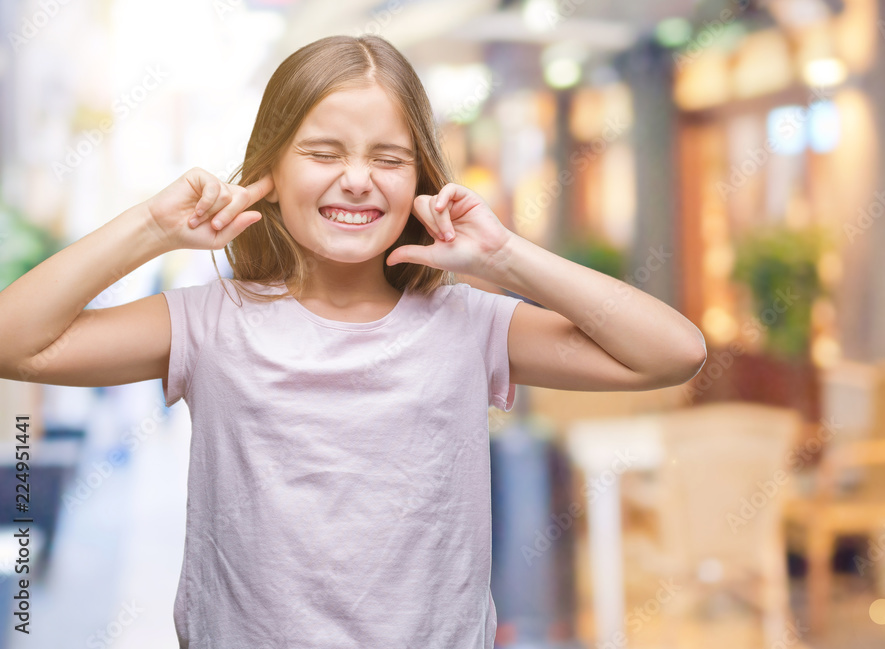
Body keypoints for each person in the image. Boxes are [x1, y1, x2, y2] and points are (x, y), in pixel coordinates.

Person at [0, 34, 707, 649]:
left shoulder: (470, 324)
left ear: (421, 180)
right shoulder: (208, 322)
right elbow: (14, 341)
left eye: (389, 158)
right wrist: (153, 227)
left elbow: (674, 351)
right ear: (269, 173)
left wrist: (506, 258)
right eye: (323, 151)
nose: (358, 179)